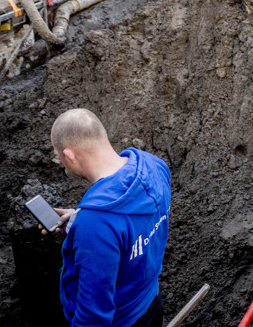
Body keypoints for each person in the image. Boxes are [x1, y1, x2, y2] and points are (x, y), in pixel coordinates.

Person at [49, 108, 171, 327]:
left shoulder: (96, 223)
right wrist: (80, 220)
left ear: (69, 155)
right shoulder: (154, 166)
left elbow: (93, 318)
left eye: (59, 158)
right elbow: (134, 223)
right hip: (151, 302)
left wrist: (89, 225)